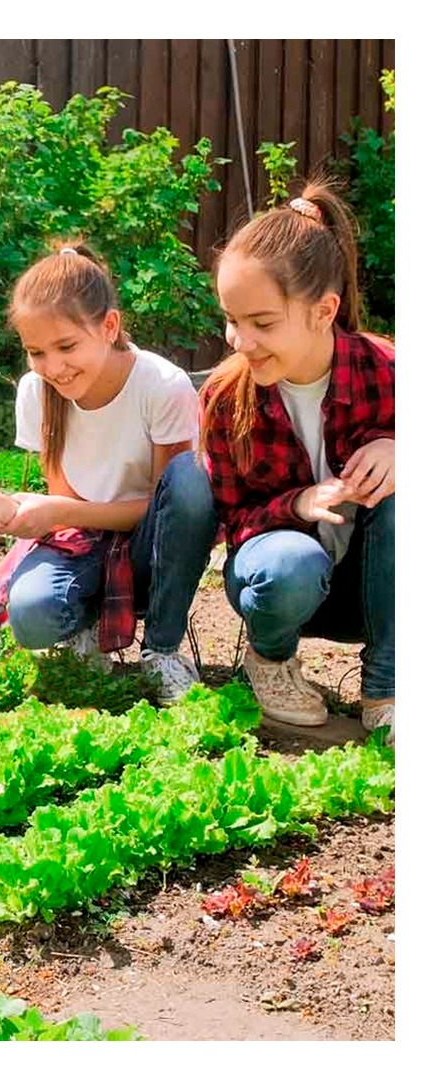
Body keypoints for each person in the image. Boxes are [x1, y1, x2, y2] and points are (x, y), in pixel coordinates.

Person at [0, 239, 217, 704]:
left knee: (193, 481)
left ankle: (162, 651)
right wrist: (10, 509)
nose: (53, 366)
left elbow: (172, 507)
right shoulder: (37, 391)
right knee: (33, 614)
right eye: (36, 351)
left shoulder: (161, 386)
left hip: (154, 544)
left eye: (66, 346)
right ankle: (84, 628)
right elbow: (65, 502)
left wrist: (59, 512)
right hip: (86, 538)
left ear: (109, 326)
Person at [200, 181, 394, 744]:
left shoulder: (388, 370)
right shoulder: (225, 396)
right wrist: (299, 505)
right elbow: (233, 522)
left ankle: (387, 689)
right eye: (231, 319)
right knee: (287, 565)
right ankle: (271, 662)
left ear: (323, 311)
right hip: (283, 589)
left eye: (262, 322)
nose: (241, 340)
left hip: (373, 593)